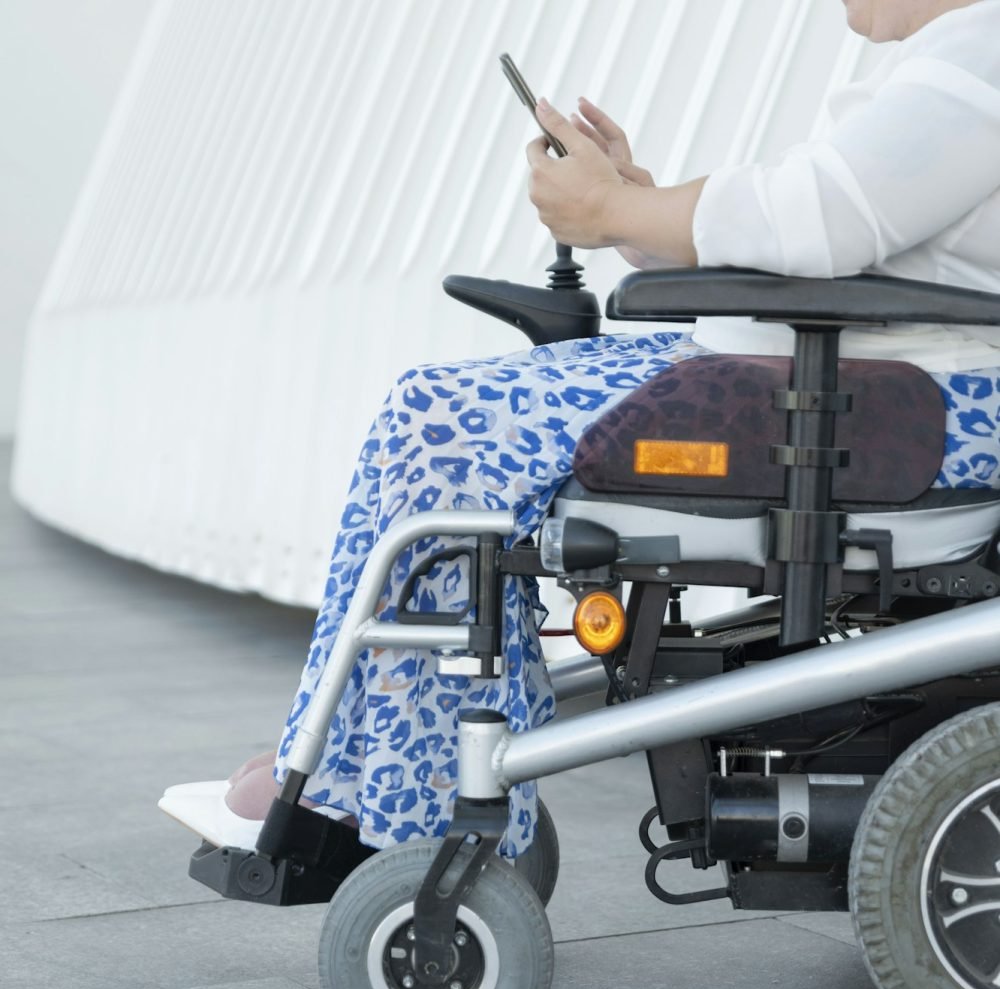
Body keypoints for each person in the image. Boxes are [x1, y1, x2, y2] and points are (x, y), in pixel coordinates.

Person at [160, 0, 1000, 857]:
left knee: (441, 426)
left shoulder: (982, 53)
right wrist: (636, 204)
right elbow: (811, 233)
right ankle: (359, 762)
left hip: (888, 417)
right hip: (851, 393)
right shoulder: (951, 61)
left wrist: (611, 211)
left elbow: (817, 218)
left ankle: (398, 798)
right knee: (429, 411)